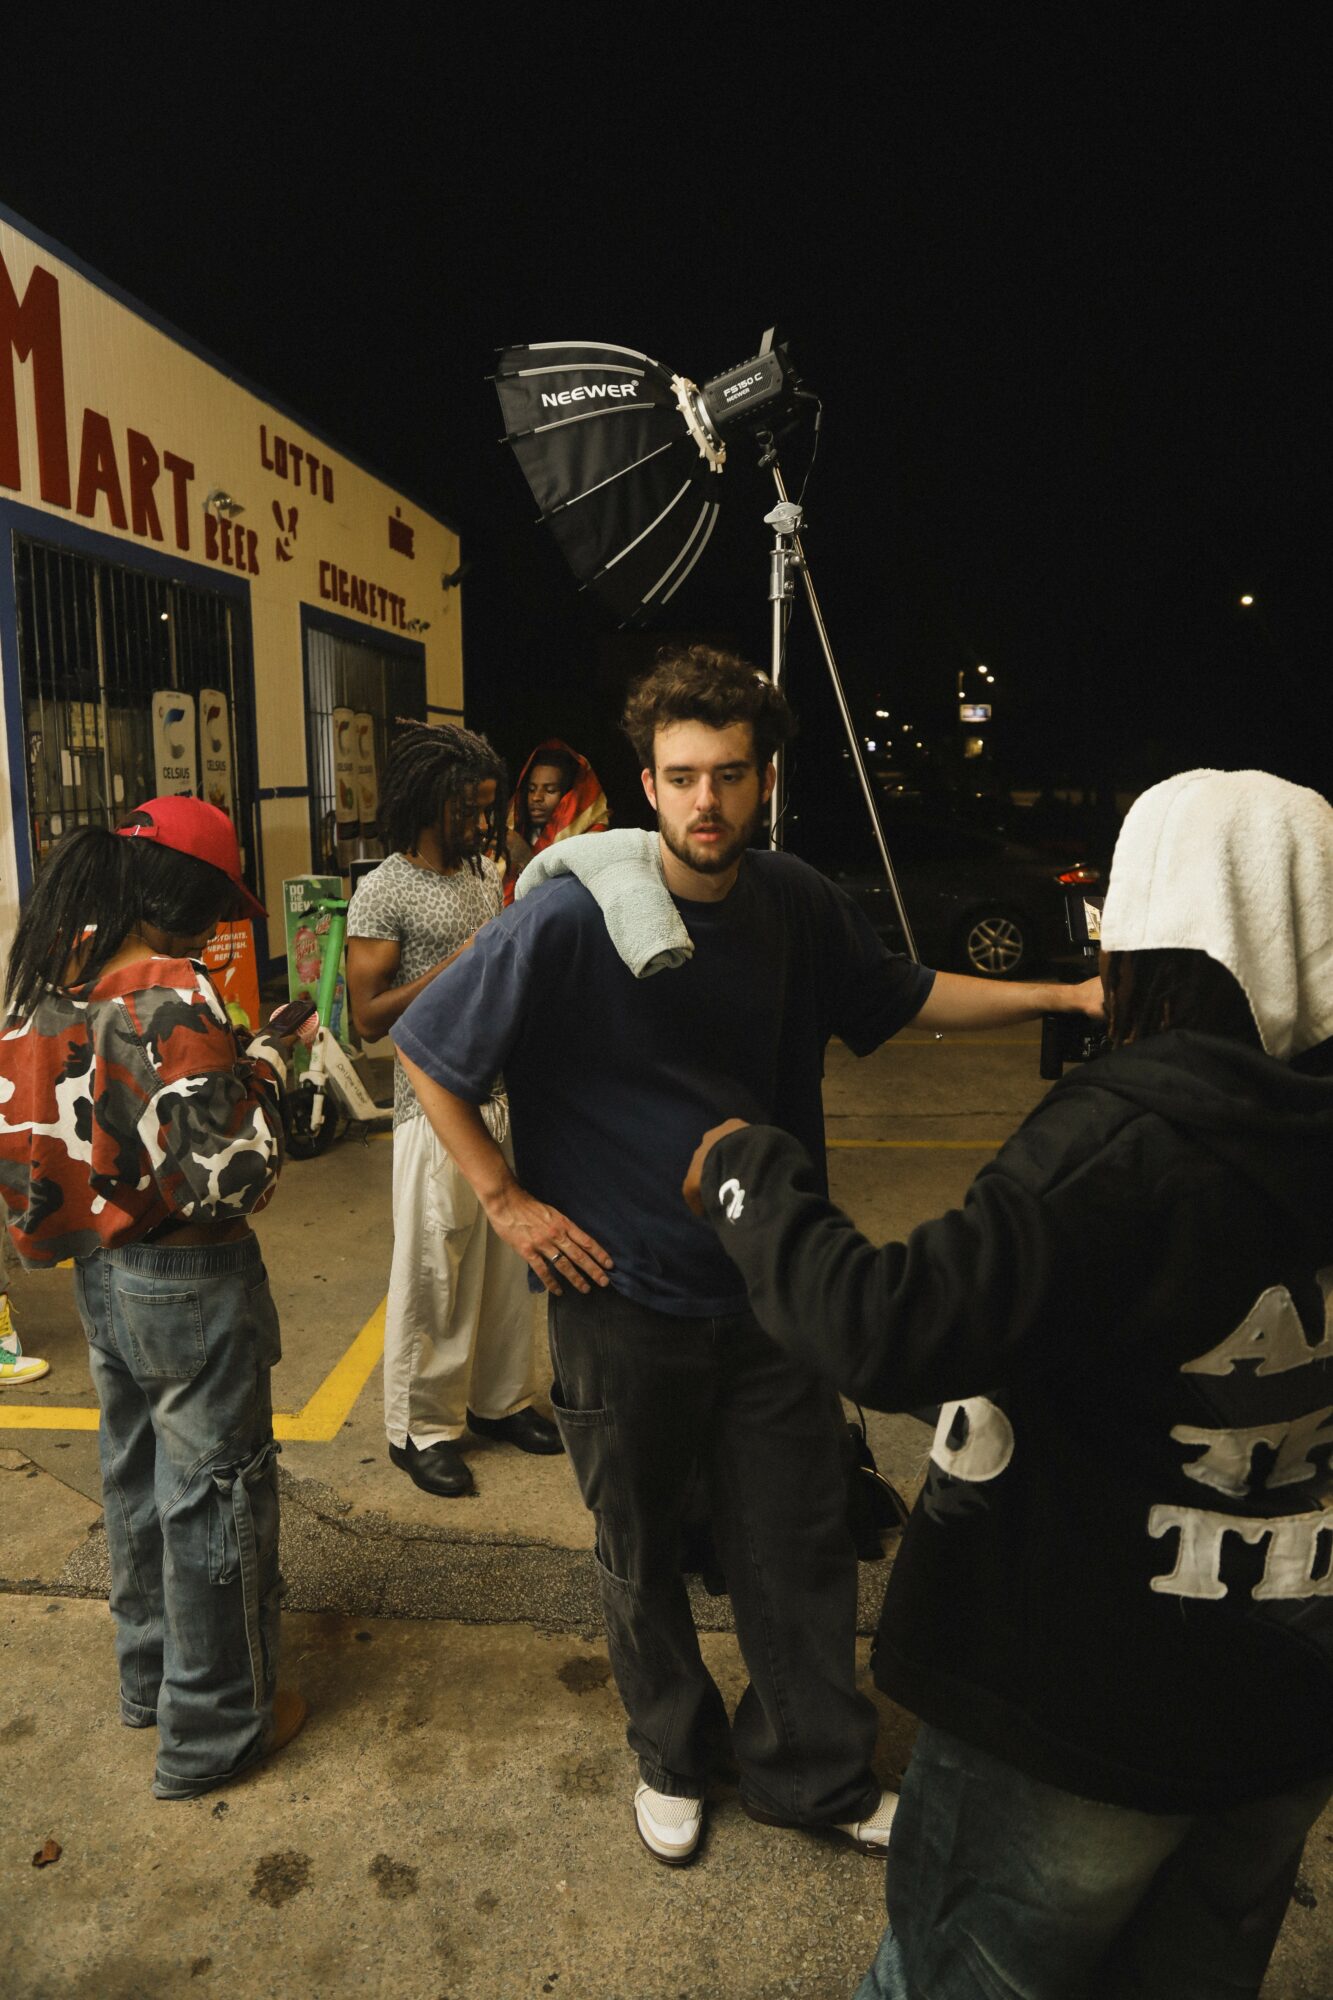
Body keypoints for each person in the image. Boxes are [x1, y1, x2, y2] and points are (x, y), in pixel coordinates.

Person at [389, 644, 1102, 1865]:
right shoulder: (569, 917)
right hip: (618, 1294)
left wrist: (1065, 998)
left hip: (776, 1287)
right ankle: (672, 1754)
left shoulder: (793, 900)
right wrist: (504, 1199)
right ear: (647, 784)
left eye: (727, 773)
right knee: (639, 1547)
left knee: (799, 1540)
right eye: (680, 776)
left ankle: (811, 1770)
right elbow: (426, 1042)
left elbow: (902, 995)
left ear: (764, 777)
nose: (705, 799)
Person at [684, 766, 1333, 1997]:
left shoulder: (1130, 1136)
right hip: (1288, 1699)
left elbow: (888, 1328)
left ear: (1154, 926)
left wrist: (749, 1181)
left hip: (1086, 1711)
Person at [0, 797, 305, 1800]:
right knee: (216, 1493)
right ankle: (214, 1730)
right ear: (184, 894)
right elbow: (232, 1179)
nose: (217, 927)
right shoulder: (172, 992)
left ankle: (151, 1681)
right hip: (188, 1278)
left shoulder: (53, 973)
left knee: (136, 1478)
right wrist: (267, 1071)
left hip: (102, 1270)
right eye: (217, 904)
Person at [345, 721, 562, 1499]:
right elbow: (367, 1019)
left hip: (498, 1097)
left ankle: (501, 1402)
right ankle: (420, 1429)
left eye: (486, 807)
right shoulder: (384, 889)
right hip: (429, 1105)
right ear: (427, 800)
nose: (480, 822)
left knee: (505, 1269)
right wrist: (460, 962)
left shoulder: (480, 872)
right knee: (433, 1271)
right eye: (466, 808)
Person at [503, 737, 609, 904]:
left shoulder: (591, 839)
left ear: (569, 797)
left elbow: (568, 899)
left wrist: (525, 857)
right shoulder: (518, 829)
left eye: (550, 790)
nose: (536, 797)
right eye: (531, 789)